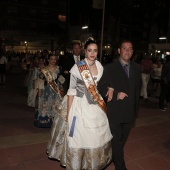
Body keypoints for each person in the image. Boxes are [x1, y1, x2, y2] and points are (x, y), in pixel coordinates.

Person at [47, 37, 113, 170]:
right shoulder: (78, 67)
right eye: (90, 50)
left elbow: (104, 83)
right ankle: (78, 163)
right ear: (85, 51)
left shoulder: (99, 65)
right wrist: (69, 113)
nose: (92, 53)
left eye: (95, 50)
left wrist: (111, 88)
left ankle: (91, 164)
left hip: (95, 103)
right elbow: (71, 91)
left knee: (94, 136)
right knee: (78, 135)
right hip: (79, 102)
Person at [98, 39, 141, 170]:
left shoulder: (137, 68)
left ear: (132, 52)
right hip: (115, 111)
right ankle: (120, 166)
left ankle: (113, 156)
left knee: (120, 141)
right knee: (117, 141)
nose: (127, 51)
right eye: (124, 48)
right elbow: (101, 88)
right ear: (119, 51)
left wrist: (135, 109)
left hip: (130, 112)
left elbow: (137, 89)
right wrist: (116, 93)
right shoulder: (109, 68)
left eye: (130, 48)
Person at [34, 54, 64, 128]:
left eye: (54, 59)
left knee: (56, 105)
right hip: (46, 89)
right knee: (46, 105)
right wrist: (40, 91)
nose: (53, 60)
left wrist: (61, 89)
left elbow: (61, 79)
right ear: (48, 60)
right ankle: (46, 121)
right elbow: (40, 80)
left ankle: (56, 121)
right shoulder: (44, 69)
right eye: (51, 59)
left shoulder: (59, 68)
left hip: (56, 89)